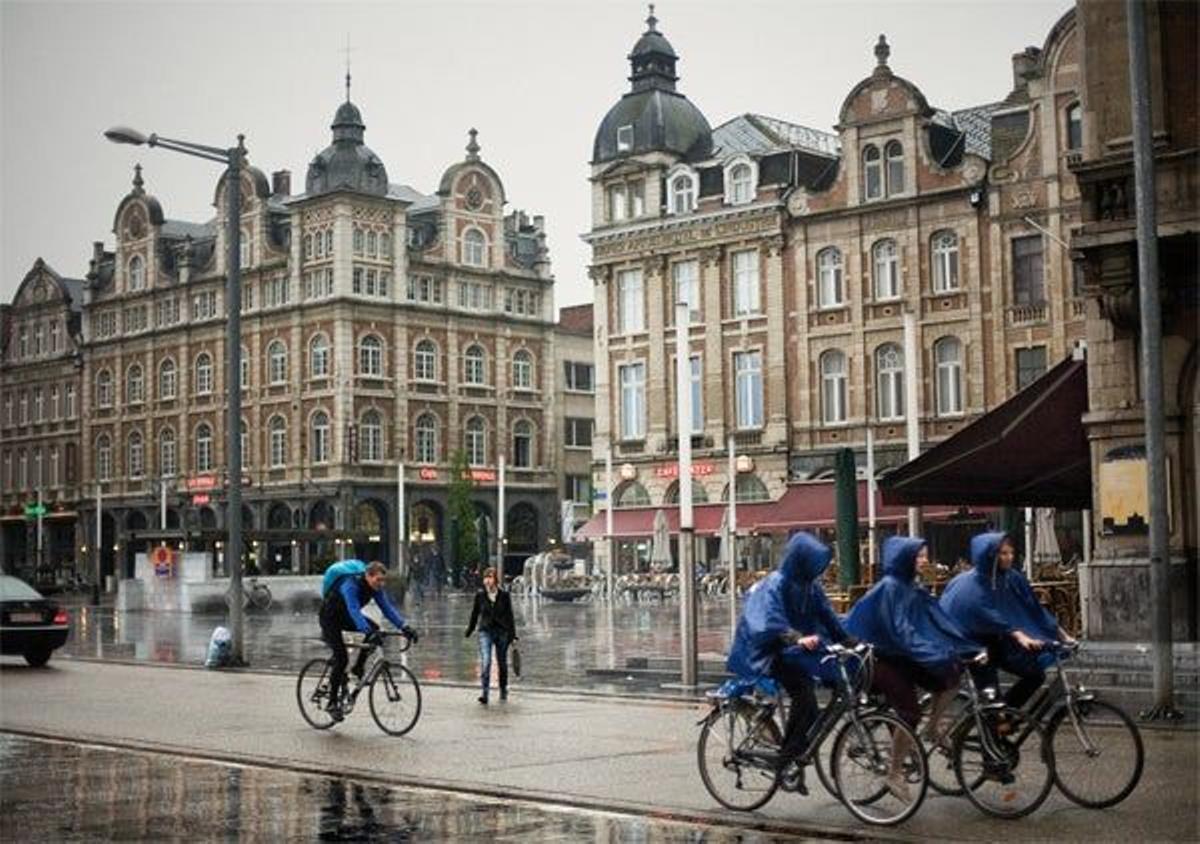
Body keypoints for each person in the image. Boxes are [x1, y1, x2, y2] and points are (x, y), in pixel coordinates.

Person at [845, 535, 982, 799]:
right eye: (919, 556)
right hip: (880, 659)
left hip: (903, 655)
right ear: (905, 559)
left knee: (952, 677)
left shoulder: (913, 587)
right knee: (909, 713)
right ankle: (894, 773)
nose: (925, 560)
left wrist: (964, 647)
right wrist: (934, 653)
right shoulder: (890, 588)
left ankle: (933, 728)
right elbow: (901, 631)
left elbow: (939, 622)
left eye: (925, 555)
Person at [726, 532, 853, 790]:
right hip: (767, 651)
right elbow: (768, 619)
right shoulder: (776, 583)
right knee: (803, 693)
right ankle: (787, 758)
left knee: (823, 695)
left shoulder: (811, 587)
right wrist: (795, 637)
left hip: (793, 649)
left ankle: (797, 754)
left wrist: (850, 641)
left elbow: (828, 617)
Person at [940, 532, 1075, 709]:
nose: (1009, 557)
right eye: (1003, 554)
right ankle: (996, 724)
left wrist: (1063, 635)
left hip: (998, 638)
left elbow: (1033, 608)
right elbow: (985, 612)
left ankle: (1008, 717)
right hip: (972, 643)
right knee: (992, 698)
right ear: (990, 555)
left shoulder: (1012, 578)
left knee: (1035, 674)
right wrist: (1020, 636)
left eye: (1011, 552)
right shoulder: (972, 584)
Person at [319, 560, 419, 722]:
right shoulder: (350, 584)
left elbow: (387, 609)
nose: (381, 583)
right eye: (378, 580)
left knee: (375, 629)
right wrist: (367, 631)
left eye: (383, 580)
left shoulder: (376, 589)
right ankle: (332, 703)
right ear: (367, 576)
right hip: (330, 618)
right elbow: (353, 609)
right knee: (342, 657)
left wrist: (405, 627)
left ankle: (358, 667)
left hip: (346, 616)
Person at [464, 566, 518, 704]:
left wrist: (513, 635)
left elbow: (509, 616)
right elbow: (475, 614)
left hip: (502, 632)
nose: (487, 581)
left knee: (502, 663)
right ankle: (485, 693)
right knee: (486, 662)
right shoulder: (480, 596)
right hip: (485, 631)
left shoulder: (504, 596)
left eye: (490, 577)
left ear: (496, 580)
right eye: (485, 578)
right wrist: (470, 629)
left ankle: (503, 690)